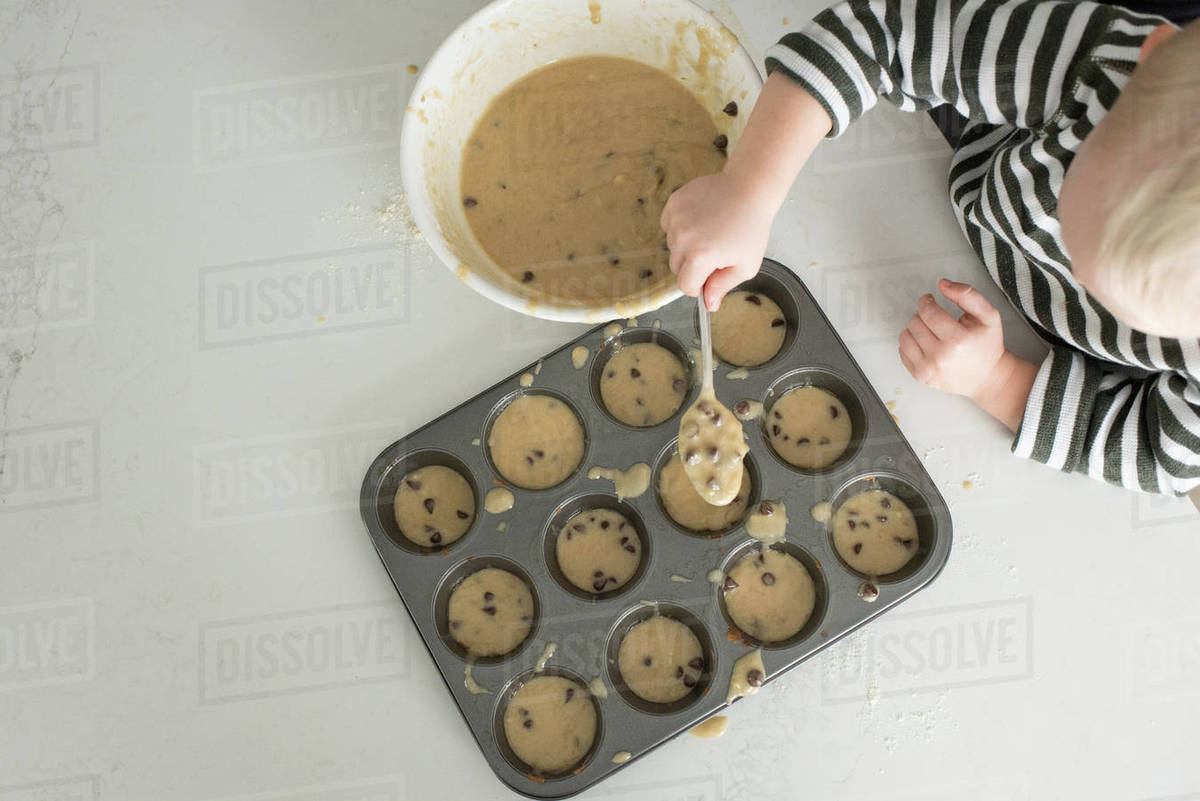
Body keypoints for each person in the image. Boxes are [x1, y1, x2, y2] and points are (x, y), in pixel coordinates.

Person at [660, 0, 1200, 496]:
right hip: (969, 148)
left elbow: (1161, 452)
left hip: (1059, 360)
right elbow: (878, 36)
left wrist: (997, 380)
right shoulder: (1103, 67)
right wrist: (748, 192)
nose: (1072, 266)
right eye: (1066, 215)